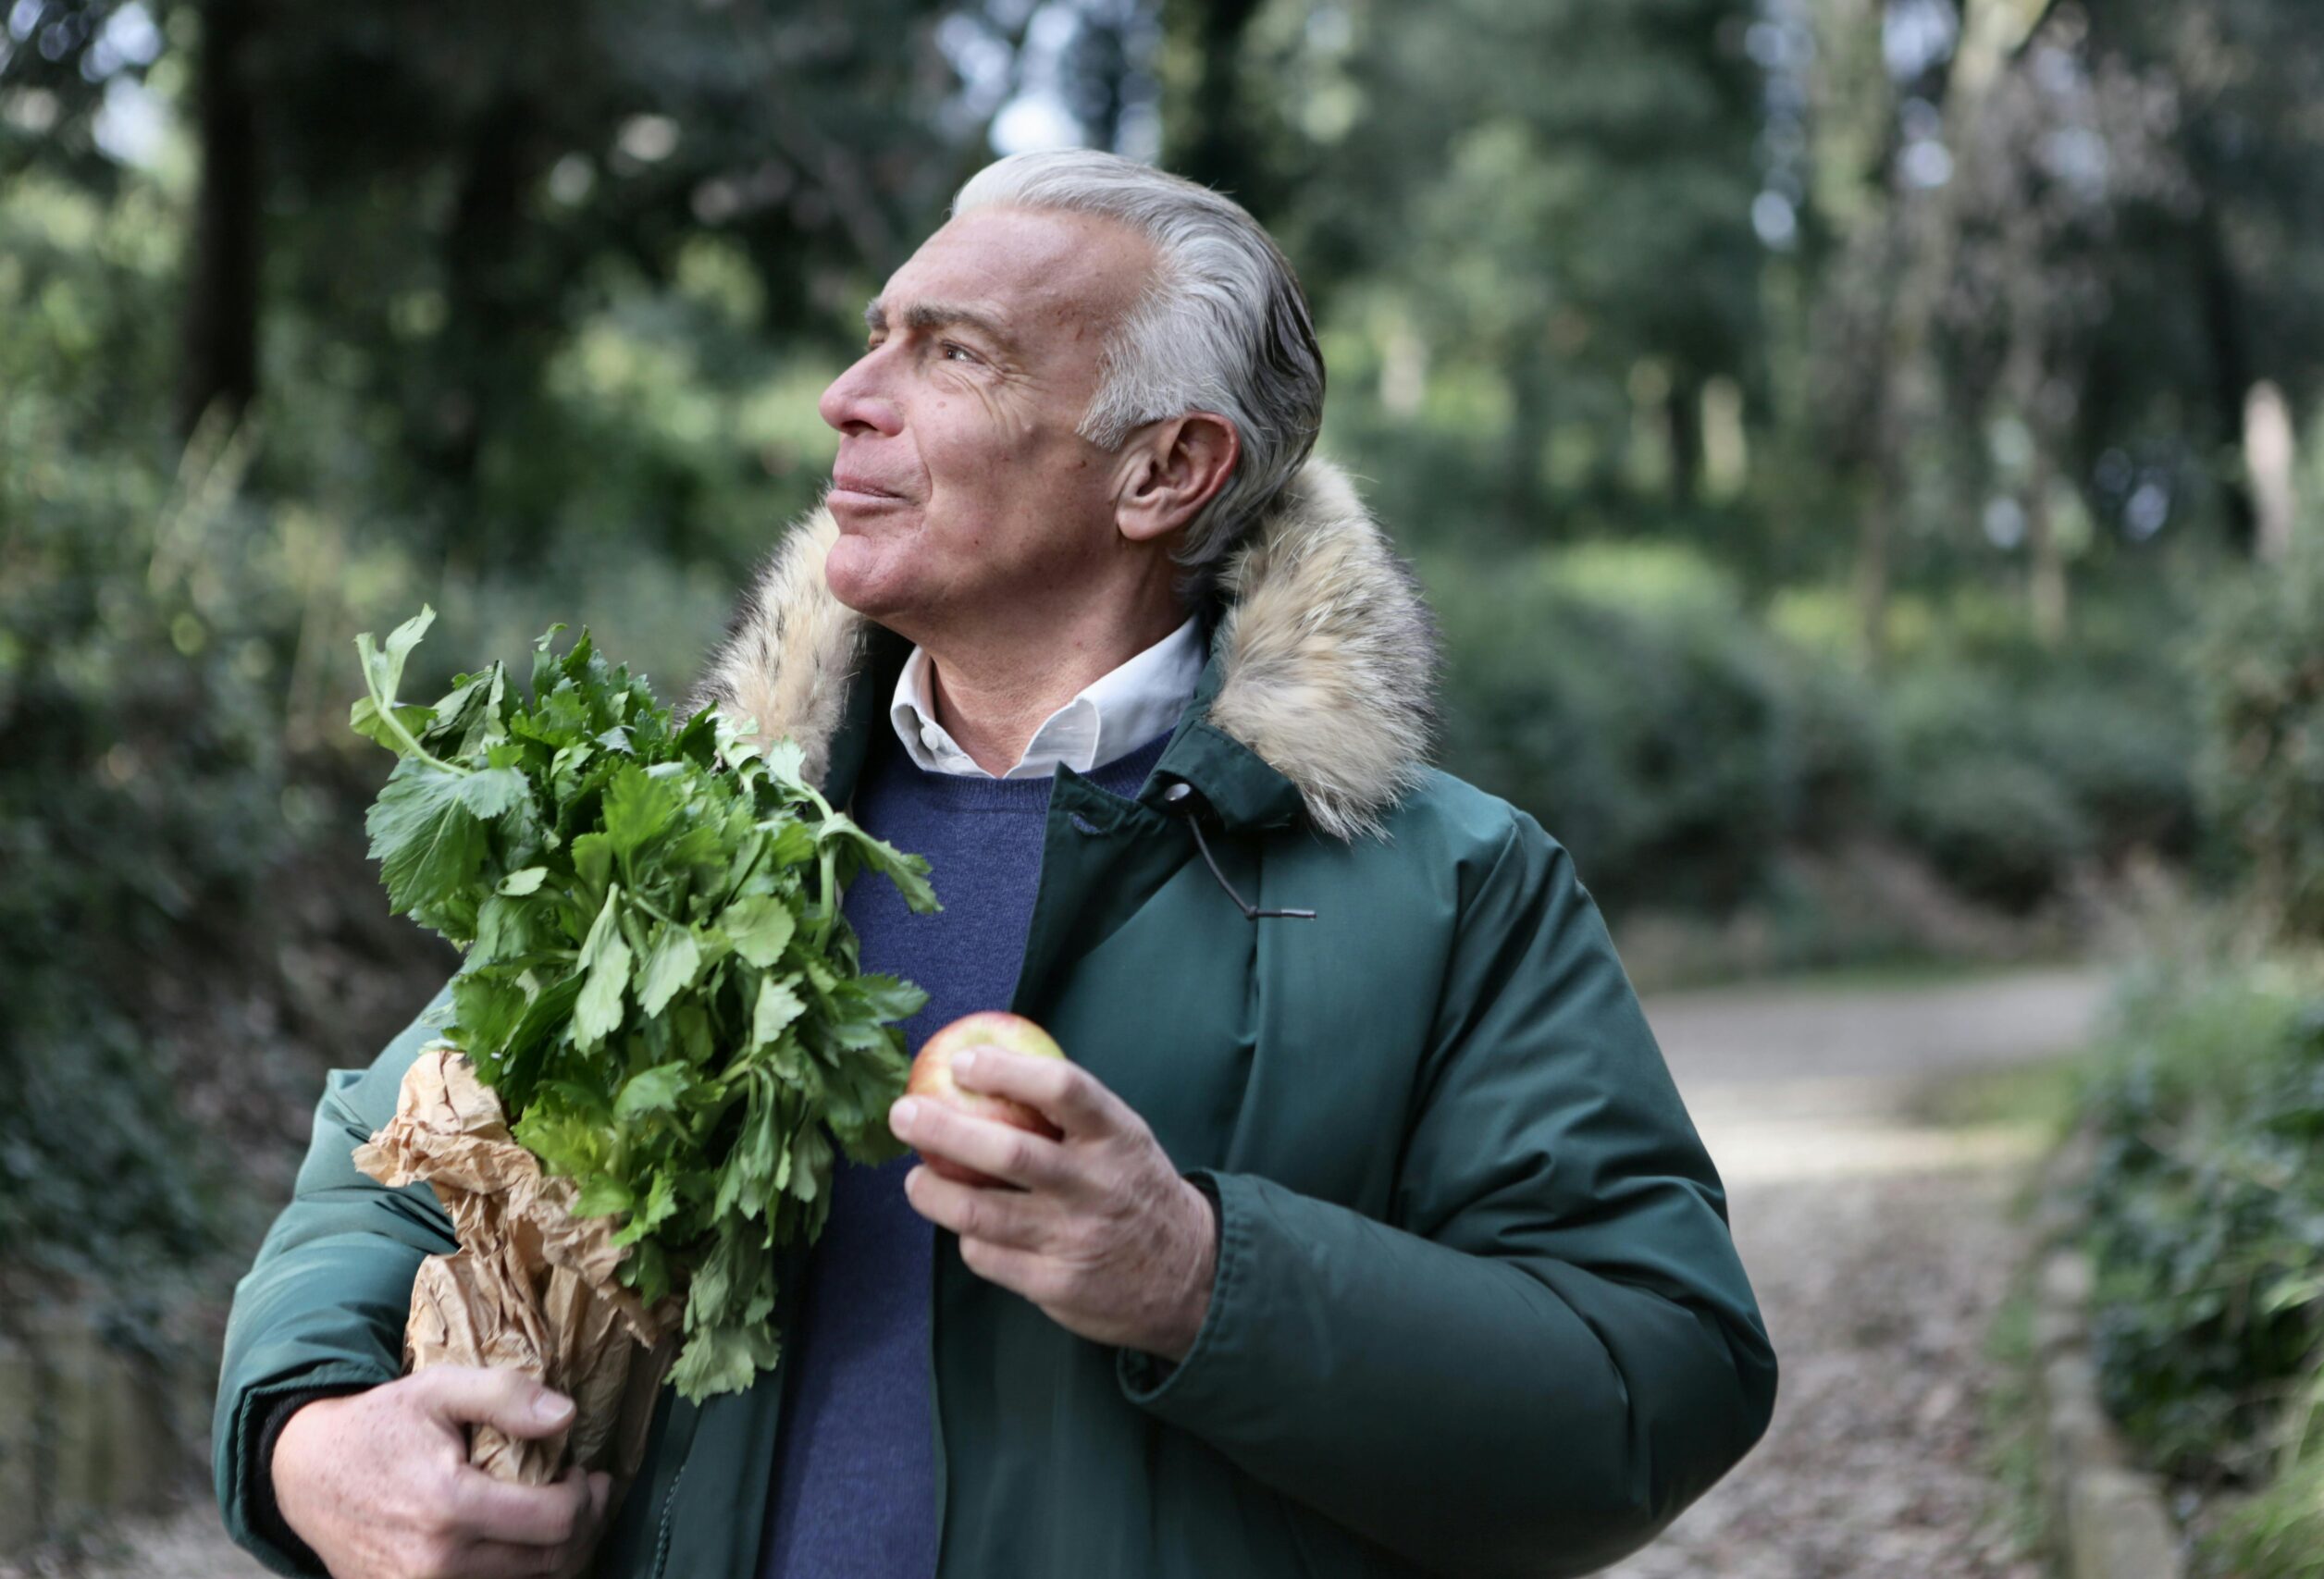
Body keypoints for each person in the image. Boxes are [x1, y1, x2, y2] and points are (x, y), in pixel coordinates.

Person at [215, 149, 1775, 1579]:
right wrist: (308, 1442)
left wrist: (1200, 1276)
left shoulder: (1451, 891)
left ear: (1163, 470)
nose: (846, 396)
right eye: (878, 333)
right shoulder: (687, 837)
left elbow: (1656, 1375)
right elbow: (392, 1168)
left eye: (952, 354)